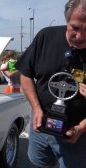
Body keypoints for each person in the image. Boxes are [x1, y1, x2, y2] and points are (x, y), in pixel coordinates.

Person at [15, 0, 86, 167]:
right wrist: (36, 108)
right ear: (66, 21)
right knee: (40, 162)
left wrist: (81, 128)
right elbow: (25, 74)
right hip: (40, 122)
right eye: (75, 27)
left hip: (77, 133)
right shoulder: (45, 37)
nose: (81, 36)